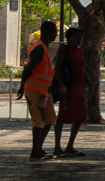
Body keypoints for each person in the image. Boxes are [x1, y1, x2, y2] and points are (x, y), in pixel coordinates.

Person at [18, 20, 60, 161]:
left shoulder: (44, 47)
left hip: (44, 90)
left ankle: (38, 149)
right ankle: (34, 153)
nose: (56, 35)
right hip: (35, 90)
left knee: (49, 120)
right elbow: (28, 68)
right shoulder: (40, 48)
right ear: (49, 33)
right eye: (54, 32)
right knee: (39, 121)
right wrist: (22, 85)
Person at [54, 26, 90, 156]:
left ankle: (70, 145)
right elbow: (57, 67)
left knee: (80, 117)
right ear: (69, 38)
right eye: (75, 37)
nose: (78, 40)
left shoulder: (79, 51)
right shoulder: (64, 49)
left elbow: (82, 68)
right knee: (62, 117)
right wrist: (61, 85)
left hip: (78, 87)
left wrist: (88, 82)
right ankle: (57, 147)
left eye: (80, 38)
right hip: (67, 87)